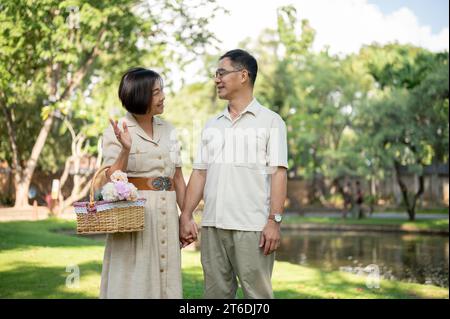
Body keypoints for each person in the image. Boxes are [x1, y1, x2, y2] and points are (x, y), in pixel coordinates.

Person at [179, 49, 288, 299]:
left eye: (221, 73)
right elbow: (199, 174)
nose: (216, 79)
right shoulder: (212, 124)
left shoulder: (271, 122)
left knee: (257, 297)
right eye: (215, 74)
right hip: (213, 226)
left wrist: (274, 221)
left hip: (252, 227)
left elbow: (278, 174)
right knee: (215, 296)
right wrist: (186, 214)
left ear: (243, 75)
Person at [99, 67, 186, 299]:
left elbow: (177, 177)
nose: (163, 97)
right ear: (141, 96)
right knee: (133, 281)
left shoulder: (169, 129)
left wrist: (185, 216)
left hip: (166, 213)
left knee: (166, 279)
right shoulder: (117, 130)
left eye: (162, 91)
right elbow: (111, 177)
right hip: (135, 217)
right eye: (157, 92)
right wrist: (125, 149)